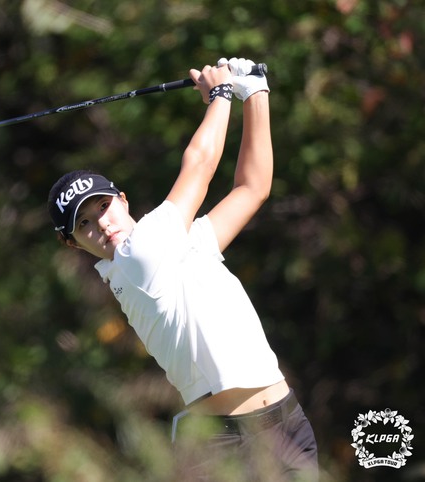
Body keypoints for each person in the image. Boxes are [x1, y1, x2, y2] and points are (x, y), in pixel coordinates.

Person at [47, 58, 318, 481]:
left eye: (103, 206)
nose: (103, 224)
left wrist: (255, 91)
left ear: (122, 199)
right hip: (226, 444)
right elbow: (199, 167)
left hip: (286, 423)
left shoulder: (180, 245)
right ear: (72, 243)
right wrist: (221, 94)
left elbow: (252, 188)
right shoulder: (137, 258)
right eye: (84, 224)